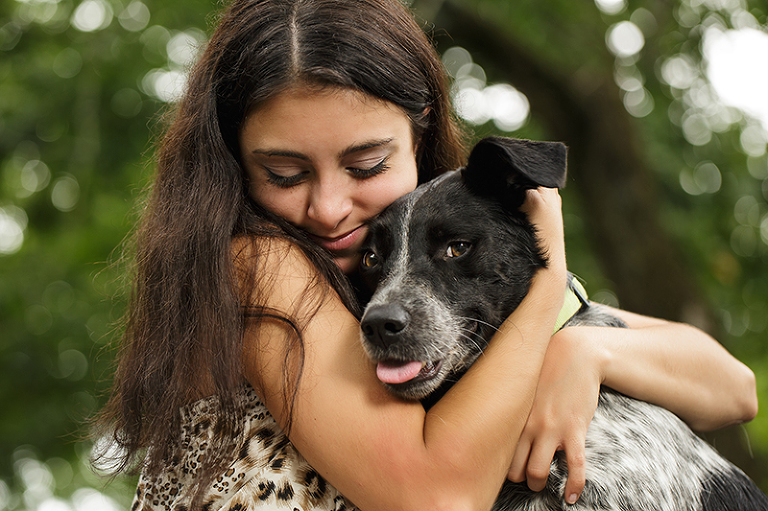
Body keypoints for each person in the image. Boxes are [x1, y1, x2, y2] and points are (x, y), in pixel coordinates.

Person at [94, 0, 758, 510]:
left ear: (419, 135)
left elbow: (733, 386)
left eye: (365, 162)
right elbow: (434, 496)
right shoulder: (258, 265)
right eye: (287, 174)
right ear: (233, 165)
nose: (329, 207)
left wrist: (585, 349)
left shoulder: (409, 263)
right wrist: (547, 274)